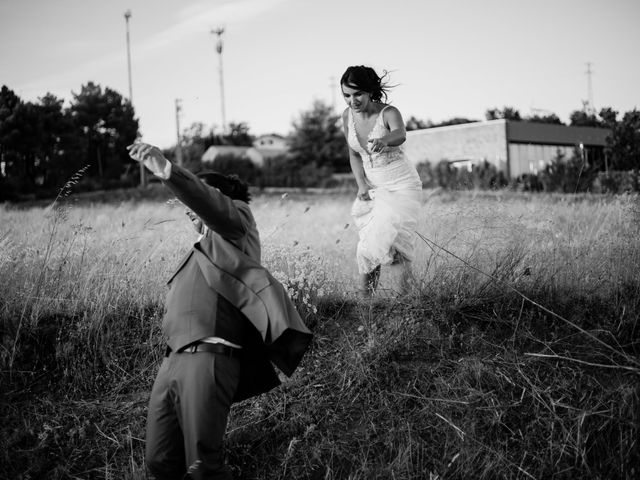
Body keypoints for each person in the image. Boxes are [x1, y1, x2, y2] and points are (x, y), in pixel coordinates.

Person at [127, 142, 313, 480]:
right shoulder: (202, 249)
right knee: (158, 461)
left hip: (209, 358)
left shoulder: (237, 224)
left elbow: (210, 203)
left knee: (203, 468)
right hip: (172, 364)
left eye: (196, 197)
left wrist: (167, 170)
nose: (188, 208)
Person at [340, 65, 423, 298]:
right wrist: (362, 185)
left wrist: (386, 140)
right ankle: (366, 304)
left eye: (358, 94)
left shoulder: (388, 112)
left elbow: (400, 133)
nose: (352, 100)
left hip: (402, 186)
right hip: (374, 188)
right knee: (368, 246)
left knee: (397, 245)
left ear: (370, 91)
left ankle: (406, 301)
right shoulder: (347, 117)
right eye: (346, 95)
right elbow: (354, 154)